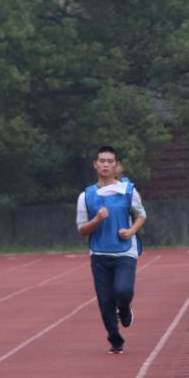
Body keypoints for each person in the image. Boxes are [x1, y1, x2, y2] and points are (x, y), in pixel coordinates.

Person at [76, 146, 146, 354]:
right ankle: (115, 339)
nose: (105, 164)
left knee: (123, 290)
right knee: (105, 301)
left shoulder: (129, 191)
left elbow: (141, 215)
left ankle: (124, 308)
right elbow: (82, 230)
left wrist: (130, 231)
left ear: (116, 165)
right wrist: (96, 220)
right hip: (99, 254)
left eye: (110, 161)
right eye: (102, 161)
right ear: (95, 165)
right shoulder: (86, 196)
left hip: (125, 252)